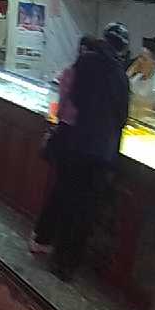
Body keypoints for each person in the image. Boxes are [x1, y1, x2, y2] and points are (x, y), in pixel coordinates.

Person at [34, 23, 130, 281]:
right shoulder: (121, 76)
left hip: (77, 144)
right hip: (103, 153)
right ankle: (68, 265)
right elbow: (122, 117)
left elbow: (73, 99)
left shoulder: (85, 63)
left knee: (67, 196)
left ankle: (53, 251)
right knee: (86, 210)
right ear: (122, 49)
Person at [31, 35, 95, 254]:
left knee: (60, 187)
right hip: (74, 137)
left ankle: (43, 235)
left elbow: (60, 102)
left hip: (64, 133)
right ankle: (46, 237)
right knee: (64, 190)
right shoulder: (86, 79)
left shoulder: (70, 72)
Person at [127, 37, 155, 115]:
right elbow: (121, 90)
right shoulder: (136, 78)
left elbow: (151, 105)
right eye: (139, 57)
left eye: (144, 59)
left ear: (154, 63)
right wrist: (130, 72)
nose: (139, 61)